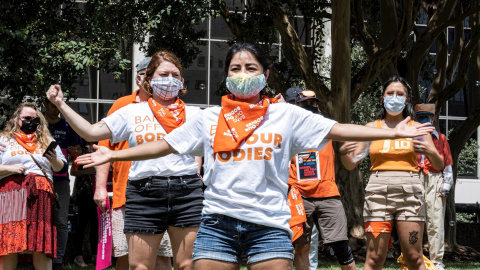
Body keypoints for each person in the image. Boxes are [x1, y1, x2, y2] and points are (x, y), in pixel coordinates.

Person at [71, 43, 435, 270]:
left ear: (265, 74)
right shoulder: (209, 118)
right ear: (226, 75)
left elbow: (338, 129)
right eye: (234, 69)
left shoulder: (286, 115)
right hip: (216, 225)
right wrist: (113, 156)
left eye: (251, 68)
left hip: (269, 226)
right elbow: (163, 146)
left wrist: (391, 130)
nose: (242, 75)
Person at [46, 50, 203, 270]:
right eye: (163, 74)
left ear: (182, 81)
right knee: (139, 266)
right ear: (148, 79)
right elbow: (91, 133)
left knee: (187, 265)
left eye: (175, 75)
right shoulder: (131, 112)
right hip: (144, 191)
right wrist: (61, 104)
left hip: (186, 191)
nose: (170, 80)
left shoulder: (196, 114)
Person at [339, 76, 444, 270]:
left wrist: (429, 151)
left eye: (399, 94)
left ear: (406, 100)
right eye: (390, 93)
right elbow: (351, 164)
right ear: (382, 97)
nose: (394, 97)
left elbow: (439, 163)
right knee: (374, 257)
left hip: (410, 191)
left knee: (414, 256)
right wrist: (345, 153)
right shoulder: (371, 128)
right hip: (377, 192)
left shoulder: (417, 128)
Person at [94, 56, 174, 270]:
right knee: (125, 255)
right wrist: (101, 188)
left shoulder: (173, 107)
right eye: (156, 75)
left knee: (163, 256)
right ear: (140, 79)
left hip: (164, 194)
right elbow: (104, 148)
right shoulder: (122, 105)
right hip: (126, 194)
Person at [288, 90, 355, 270]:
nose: (309, 107)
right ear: (297, 106)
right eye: (304, 104)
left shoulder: (325, 126)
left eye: (313, 103)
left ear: (317, 105)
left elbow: (347, 134)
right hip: (299, 194)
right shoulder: (290, 129)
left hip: (328, 193)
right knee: (301, 246)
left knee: (341, 247)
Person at [0, 102, 67, 270]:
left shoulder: (47, 139)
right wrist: (9, 168)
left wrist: (53, 159)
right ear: (17, 119)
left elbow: (62, 168)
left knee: (41, 243)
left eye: (35, 119)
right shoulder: (4, 139)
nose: (31, 121)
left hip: (41, 195)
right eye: (27, 118)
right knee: (10, 242)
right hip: (11, 195)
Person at [43, 98, 82, 269]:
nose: (56, 110)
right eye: (53, 106)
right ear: (45, 105)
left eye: (58, 106)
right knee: (40, 219)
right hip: (40, 178)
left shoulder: (67, 126)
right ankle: (39, 257)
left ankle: (58, 260)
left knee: (61, 220)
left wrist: (76, 152)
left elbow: (78, 150)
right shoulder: (38, 125)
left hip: (61, 179)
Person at [415, 104, 453, 270]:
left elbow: (448, 164)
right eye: (420, 116)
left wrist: (445, 187)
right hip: (414, 179)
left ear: (433, 118)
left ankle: (437, 261)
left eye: (427, 116)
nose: (424, 119)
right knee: (413, 220)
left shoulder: (442, 138)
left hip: (435, 179)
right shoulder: (410, 138)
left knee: (435, 221)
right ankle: (413, 259)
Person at [71, 140, 98, 267]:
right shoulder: (81, 151)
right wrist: (86, 172)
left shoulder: (101, 151)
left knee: (95, 225)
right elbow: (73, 172)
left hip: (98, 193)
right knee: (81, 225)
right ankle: (78, 256)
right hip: (84, 193)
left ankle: (95, 255)